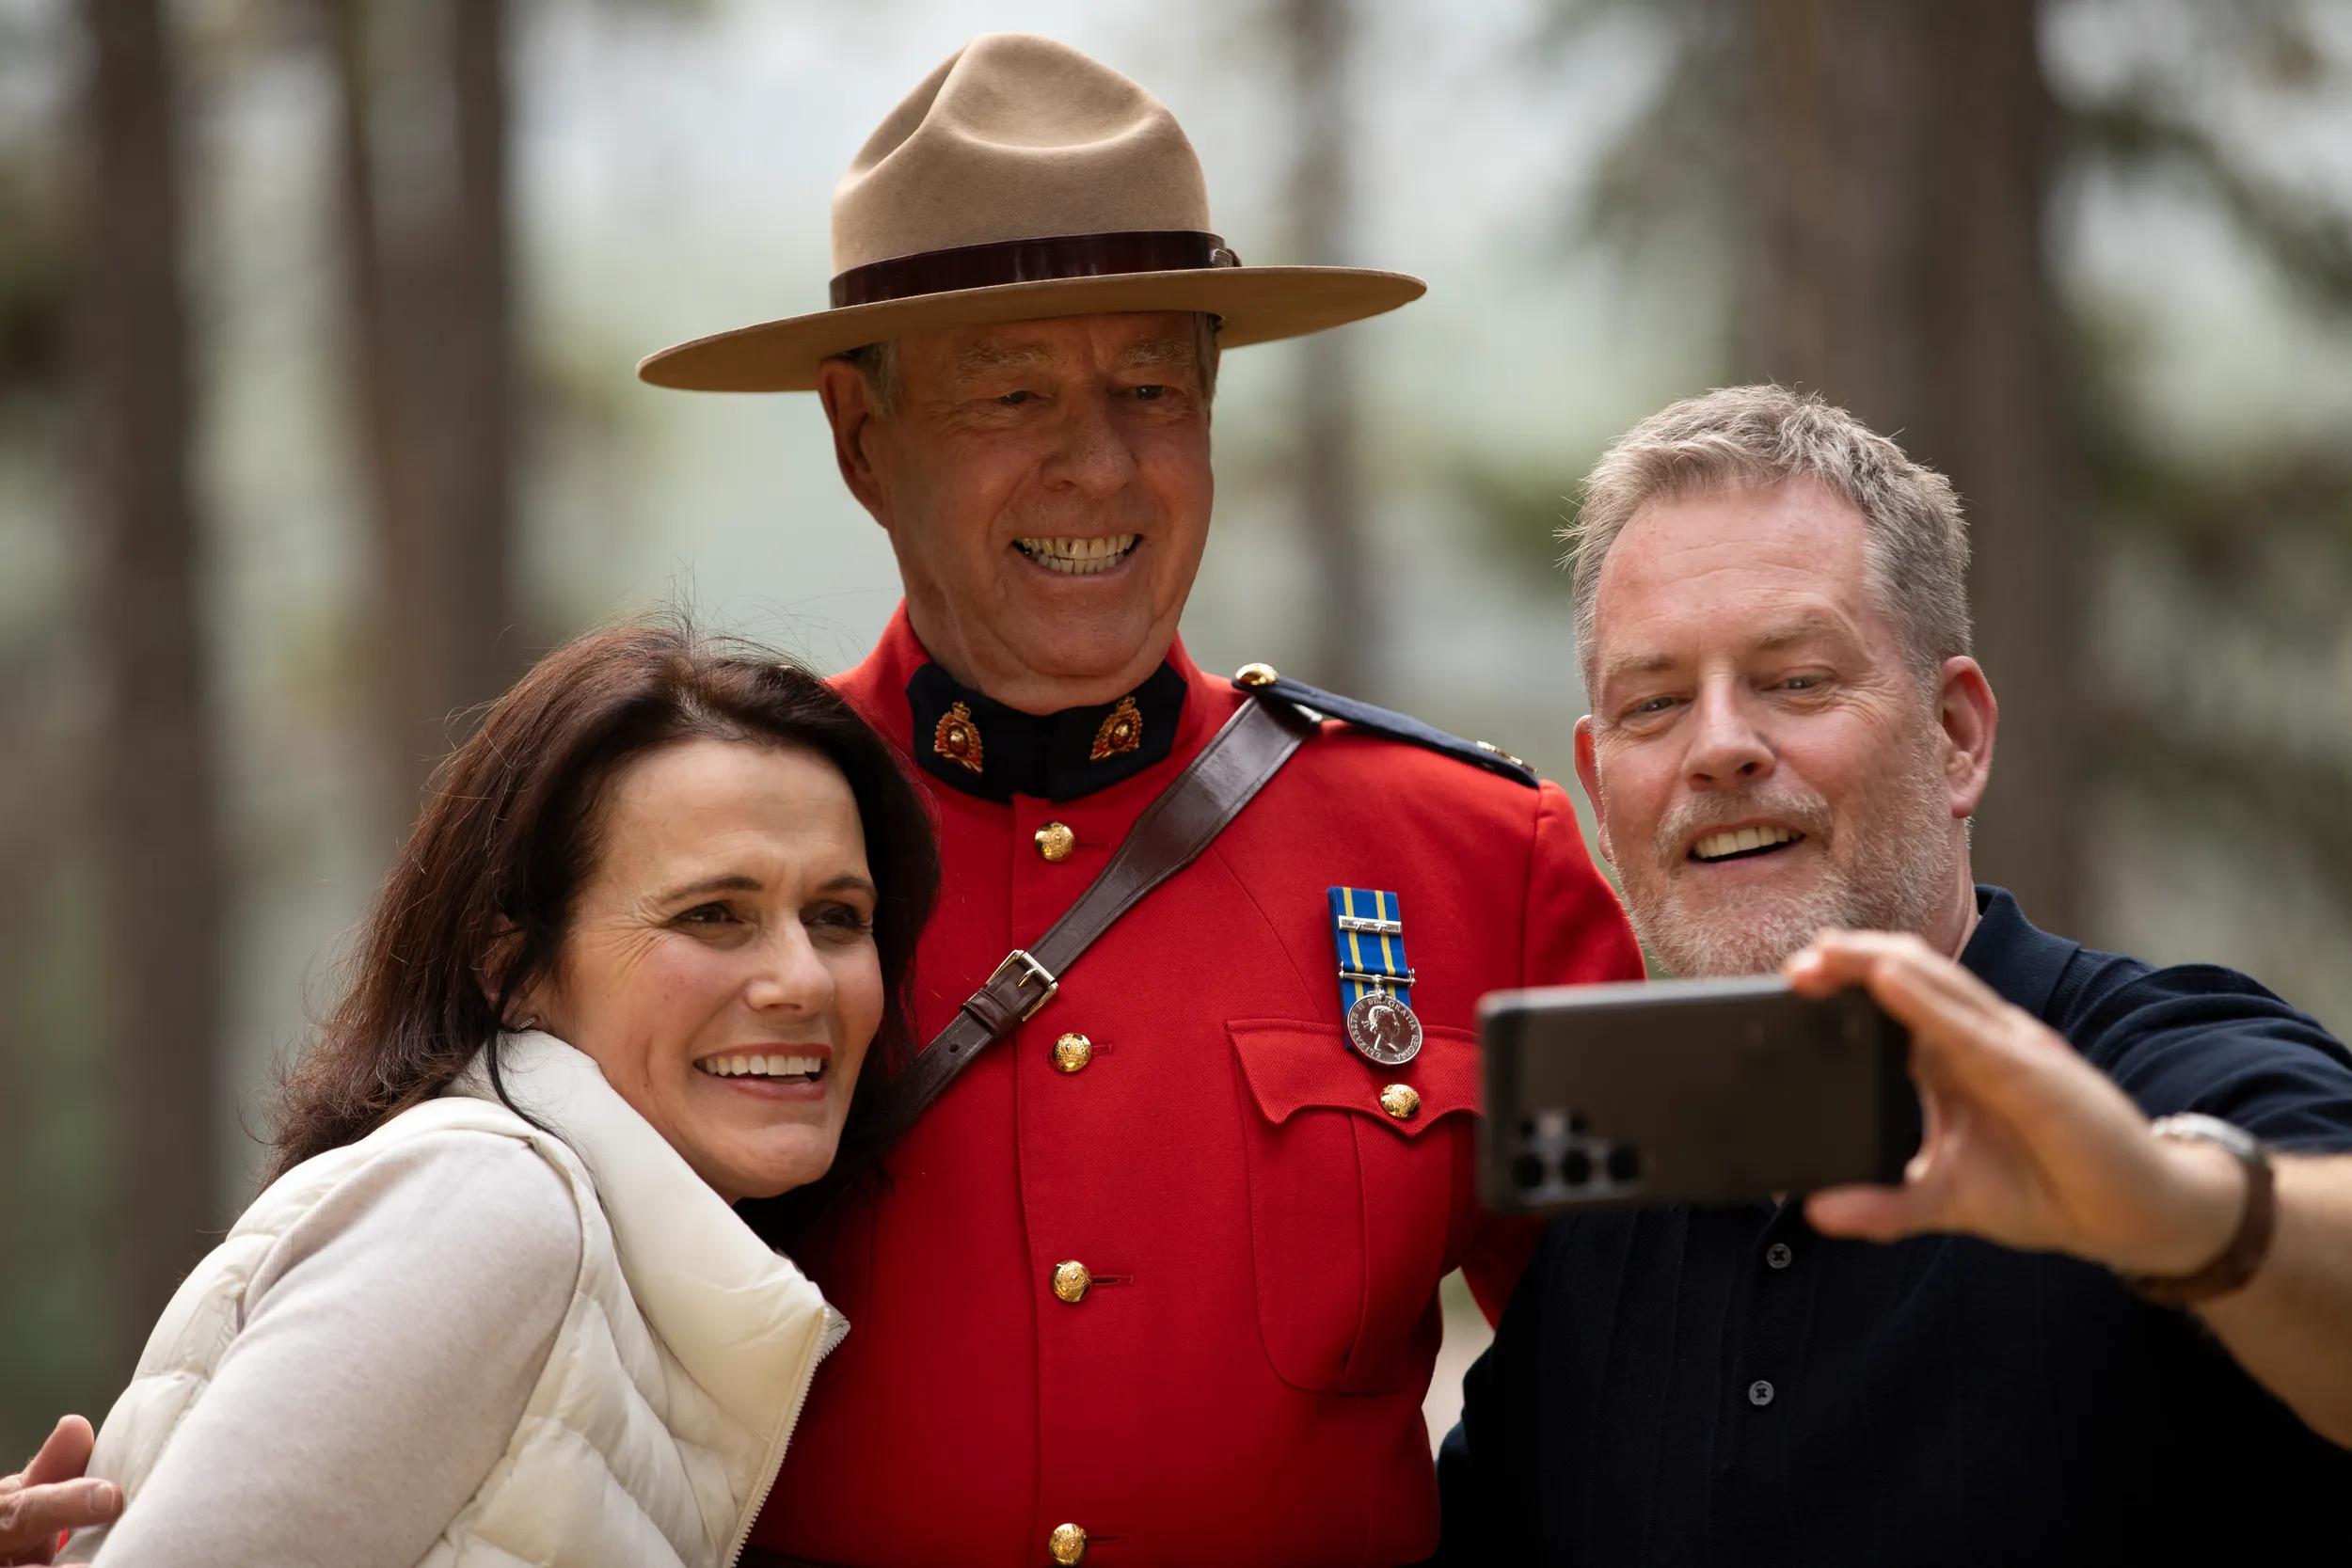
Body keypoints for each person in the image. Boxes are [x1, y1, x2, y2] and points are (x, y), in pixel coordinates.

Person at [635, 33, 1642, 1568]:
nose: (1099, 467)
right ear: (859, 437)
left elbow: (1681, 1376)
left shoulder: (1478, 865)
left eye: (1152, 387)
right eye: (1015, 394)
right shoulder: (682, 849)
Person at [1440, 385, 2352, 1564]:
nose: (1718, 746)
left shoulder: (2148, 1071)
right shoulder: (1597, 1218)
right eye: (1654, 703)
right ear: (1600, 794)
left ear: (1956, 735)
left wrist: (2171, 1208)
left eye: (1798, 678)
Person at [43, 620, 938, 1568]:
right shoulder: (490, 1209)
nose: (802, 979)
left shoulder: (607, 1253)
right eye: (713, 913)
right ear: (514, 969)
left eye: (838, 916)